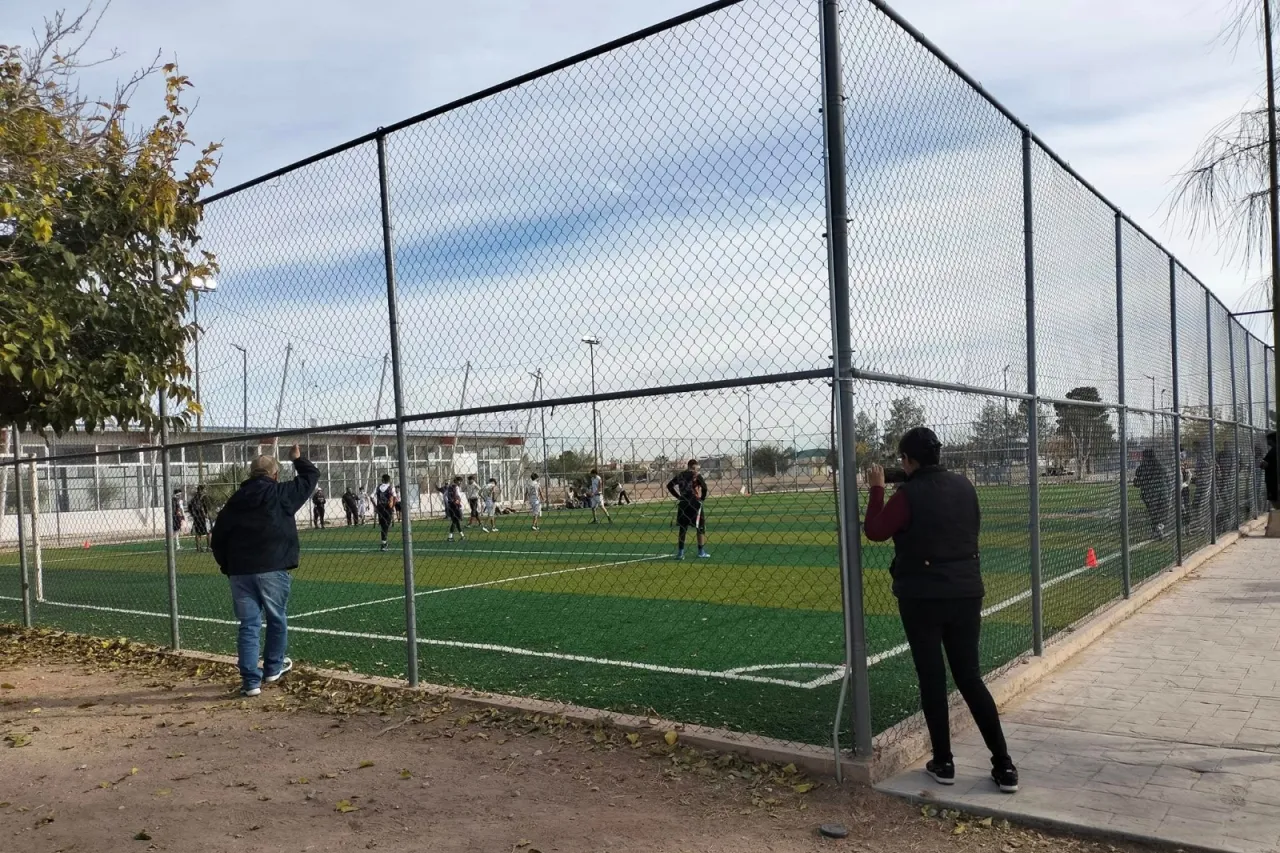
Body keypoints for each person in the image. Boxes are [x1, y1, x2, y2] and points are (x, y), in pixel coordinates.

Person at [862, 426, 1017, 794]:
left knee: (932, 678)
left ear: (909, 460)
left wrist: (877, 488)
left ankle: (944, 761)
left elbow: (875, 530)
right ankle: (1004, 764)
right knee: (970, 678)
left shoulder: (908, 494)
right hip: (965, 591)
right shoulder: (964, 485)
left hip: (922, 596)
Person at [210, 444, 318, 697]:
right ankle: (273, 667)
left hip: (240, 571)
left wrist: (227, 565)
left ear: (251, 474)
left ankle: (250, 682)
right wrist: (298, 459)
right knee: (276, 618)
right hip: (272, 566)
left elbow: (218, 537)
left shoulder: (234, 501)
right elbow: (310, 477)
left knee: (249, 624)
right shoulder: (282, 494)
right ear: (274, 474)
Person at [666, 459, 709, 560]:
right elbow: (705, 487)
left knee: (683, 528)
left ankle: (680, 553)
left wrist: (679, 497)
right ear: (693, 467)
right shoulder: (696, 475)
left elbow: (669, 486)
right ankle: (701, 552)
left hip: (683, 503)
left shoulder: (681, 475)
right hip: (695, 503)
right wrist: (702, 499)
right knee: (700, 527)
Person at [1133, 449, 1169, 539]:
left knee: (1153, 513)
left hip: (1150, 494)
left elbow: (1138, 481)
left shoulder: (1143, 467)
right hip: (1163, 493)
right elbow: (1167, 477)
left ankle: (1156, 530)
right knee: (1162, 512)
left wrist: (1137, 482)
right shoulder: (1160, 466)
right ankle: (1159, 528)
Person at [374, 475, 397, 551]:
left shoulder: (378, 488)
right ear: (389, 480)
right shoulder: (391, 488)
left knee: (383, 526)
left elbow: (371, 496)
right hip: (388, 509)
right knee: (386, 526)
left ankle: (384, 543)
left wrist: (376, 506)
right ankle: (384, 544)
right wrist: (392, 506)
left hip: (380, 508)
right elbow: (395, 497)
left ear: (382, 480)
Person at [189, 485, 211, 553]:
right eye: (204, 489)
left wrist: (193, 514)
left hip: (196, 517)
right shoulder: (204, 497)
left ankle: (198, 548)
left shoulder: (194, 498)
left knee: (198, 533)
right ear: (202, 490)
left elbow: (189, 506)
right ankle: (209, 547)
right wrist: (206, 514)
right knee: (209, 532)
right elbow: (207, 507)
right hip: (203, 517)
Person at [444, 476, 465, 541]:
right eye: (459, 481)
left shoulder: (450, 487)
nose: (460, 482)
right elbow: (457, 497)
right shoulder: (455, 487)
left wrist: (448, 504)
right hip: (455, 506)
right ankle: (450, 537)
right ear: (456, 481)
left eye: (461, 481)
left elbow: (445, 495)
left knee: (456, 521)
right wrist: (457, 503)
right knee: (455, 521)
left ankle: (462, 536)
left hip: (451, 506)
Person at [1261, 432, 1277, 510]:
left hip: (1273, 481)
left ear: (1271, 440)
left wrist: (1261, 464)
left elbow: (1264, 464)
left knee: (1276, 503)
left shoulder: (1273, 451)